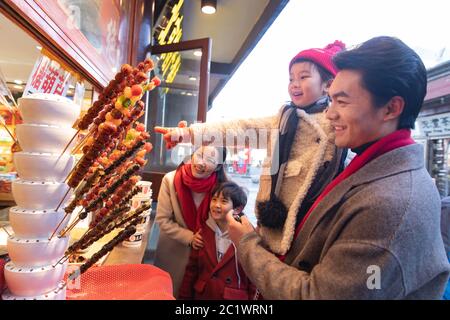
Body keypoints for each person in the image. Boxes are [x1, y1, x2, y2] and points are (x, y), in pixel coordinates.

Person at [225, 36, 450, 299]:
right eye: (330, 100)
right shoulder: (369, 168)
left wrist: (246, 244)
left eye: (342, 102)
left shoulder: (389, 205)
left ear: (391, 108)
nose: (330, 114)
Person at [155, 41, 347, 258]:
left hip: (315, 231)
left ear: (327, 85)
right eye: (291, 78)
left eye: (303, 77)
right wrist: (188, 134)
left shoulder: (338, 124)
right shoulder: (282, 121)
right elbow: (238, 128)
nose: (294, 83)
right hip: (274, 228)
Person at [153, 145, 228, 297]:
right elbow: (162, 219)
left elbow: (226, 221)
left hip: (206, 254)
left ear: (218, 166)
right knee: (168, 293)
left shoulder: (222, 188)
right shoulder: (171, 179)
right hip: (174, 252)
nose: (201, 163)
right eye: (199, 155)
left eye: (210, 160)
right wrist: (190, 237)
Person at [178, 181, 256, 300]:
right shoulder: (203, 231)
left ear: (237, 209)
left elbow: (254, 278)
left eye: (224, 201)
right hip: (204, 295)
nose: (216, 205)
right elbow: (192, 269)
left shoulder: (247, 235)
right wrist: (184, 297)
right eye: (214, 200)